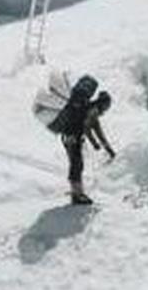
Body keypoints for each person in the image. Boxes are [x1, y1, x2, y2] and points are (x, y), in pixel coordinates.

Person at [42, 73, 115, 206]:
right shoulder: (93, 109)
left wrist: (105, 147)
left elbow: (95, 130)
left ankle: (76, 192)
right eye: (107, 106)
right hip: (72, 137)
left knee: (76, 164)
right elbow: (89, 128)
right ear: (104, 103)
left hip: (70, 137)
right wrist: (98, 145)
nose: (106, 109)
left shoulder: (89, 107)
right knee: (77, 165)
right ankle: (77, 195)